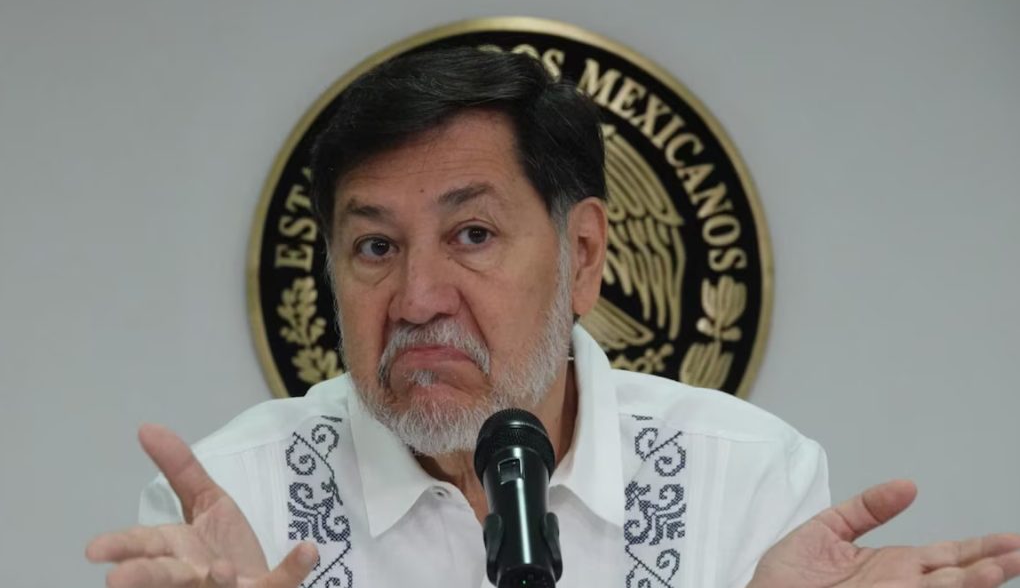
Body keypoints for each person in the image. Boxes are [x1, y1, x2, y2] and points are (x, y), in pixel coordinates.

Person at [86, 47, 1020, 588]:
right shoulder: (230, 507)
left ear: (582, 255)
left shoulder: (748, 484)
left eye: (473, 235)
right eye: (375, 247)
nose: (417, 299)